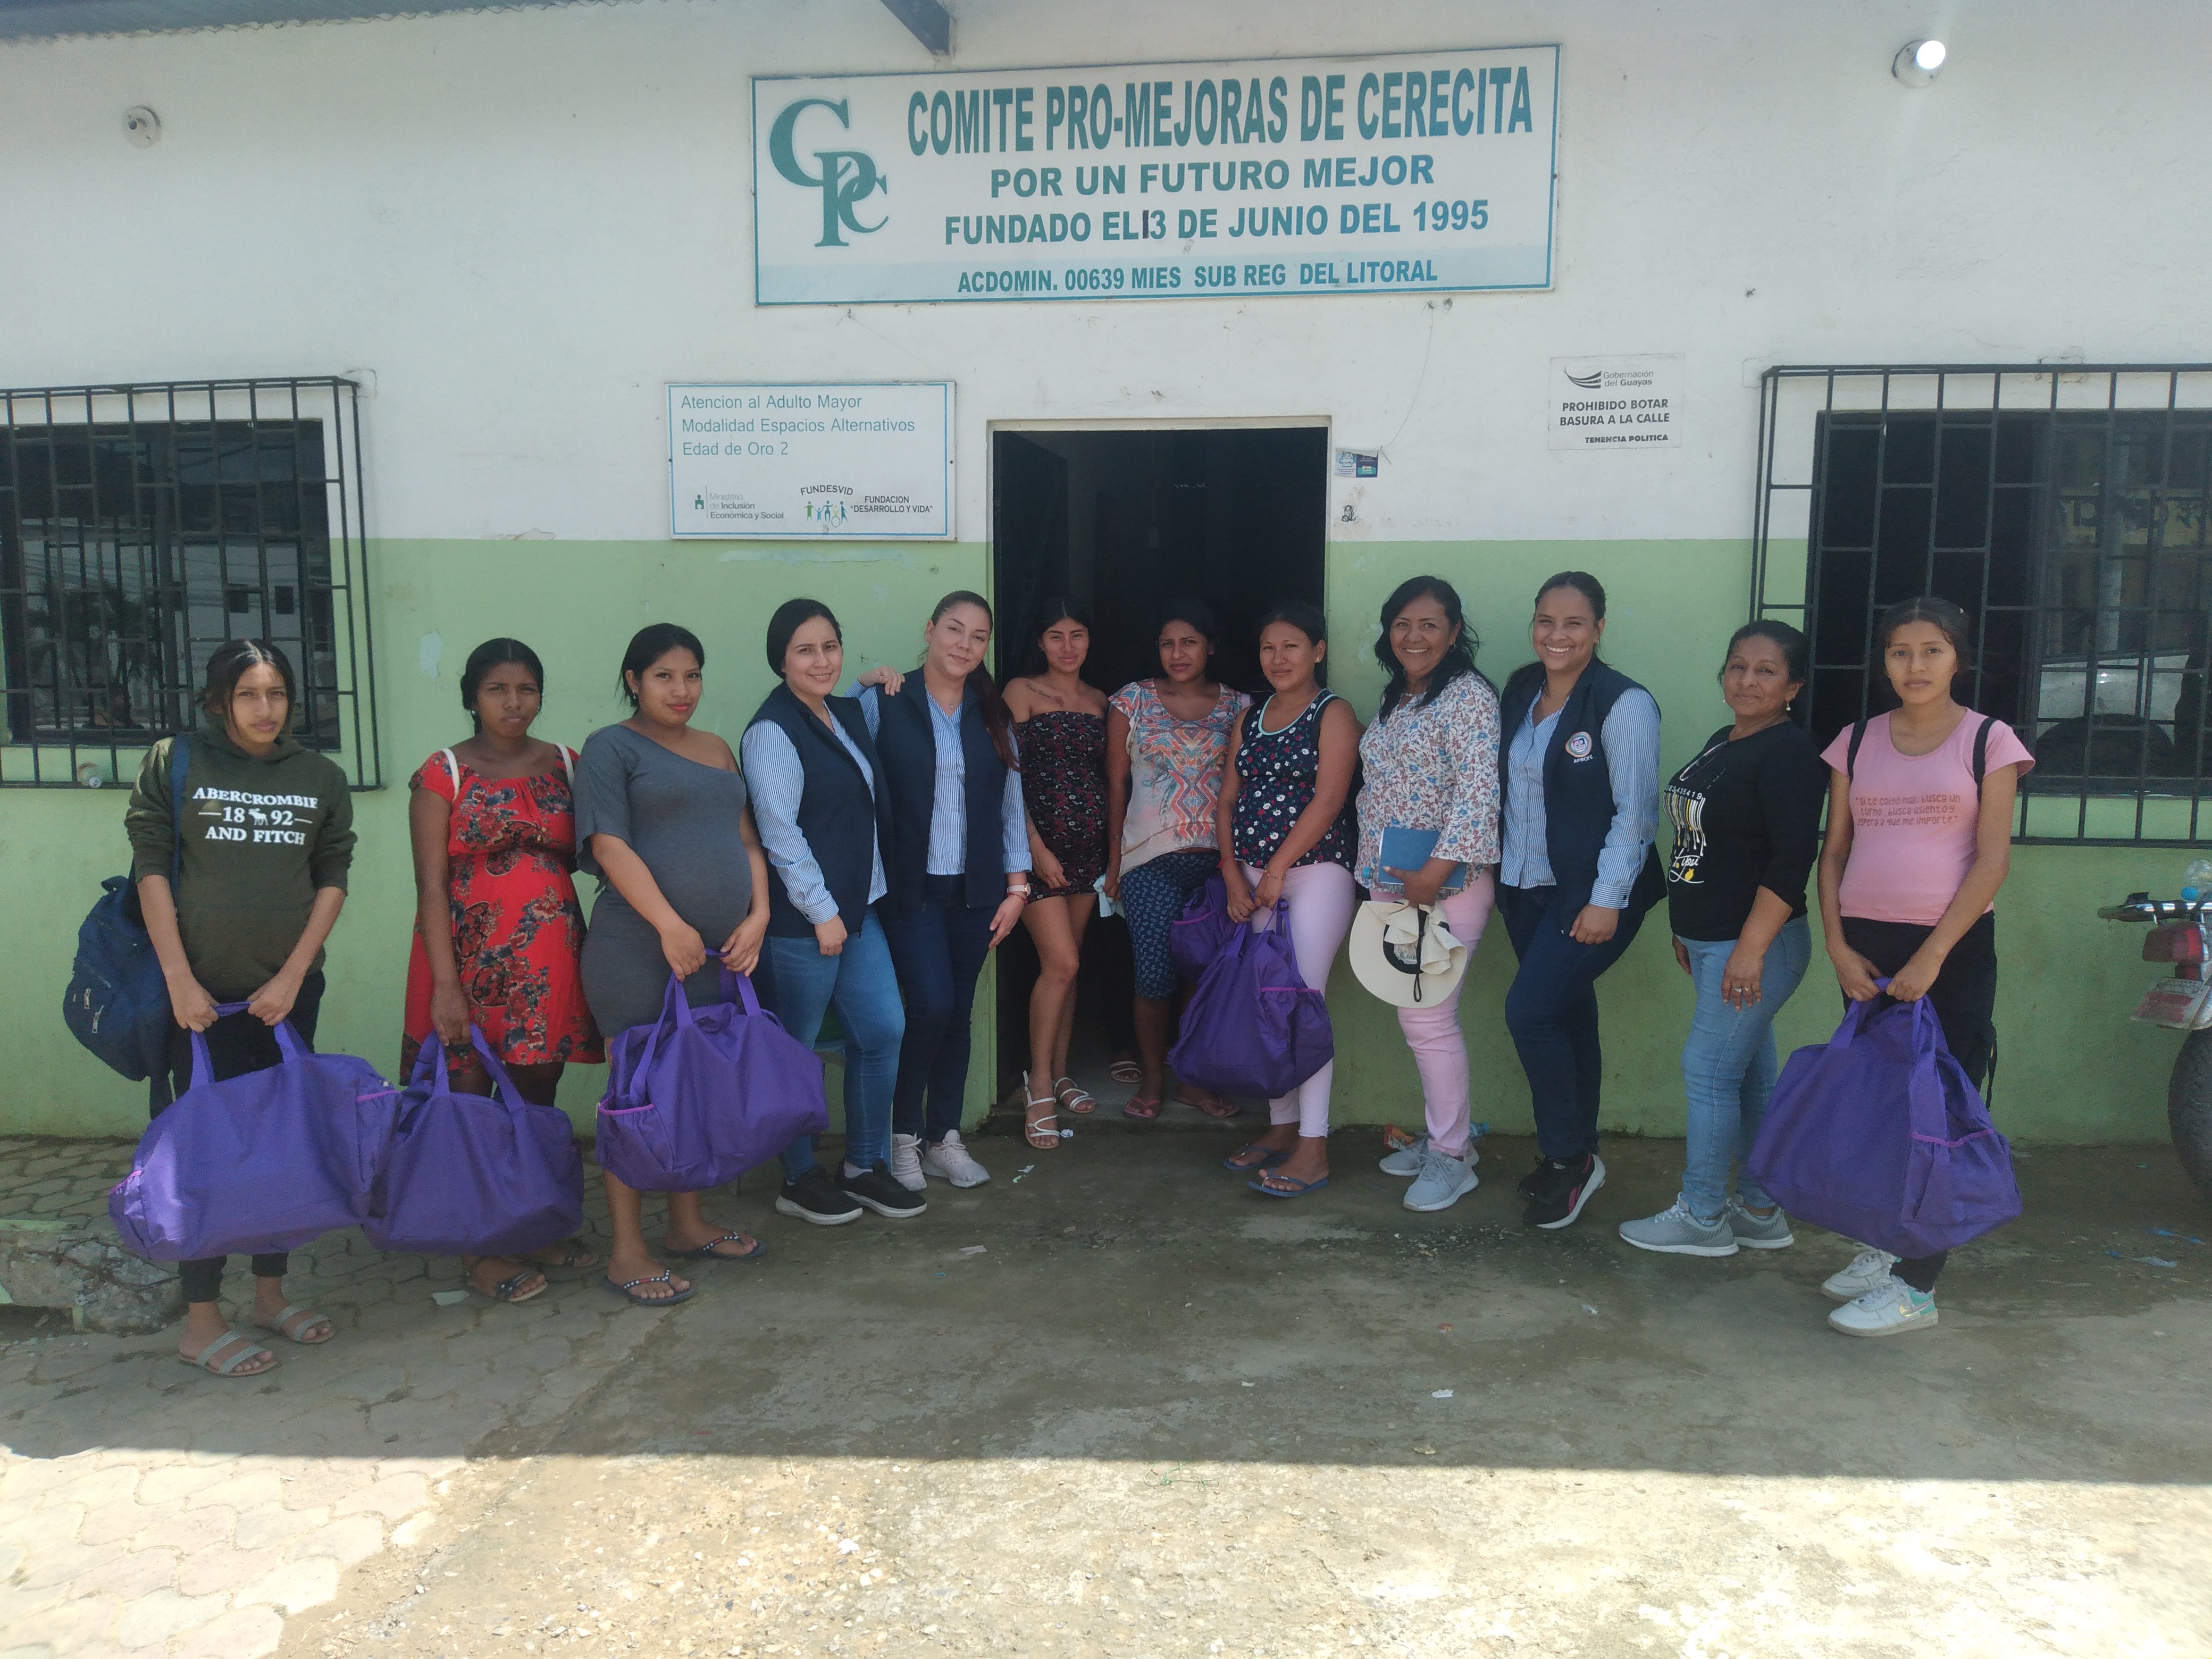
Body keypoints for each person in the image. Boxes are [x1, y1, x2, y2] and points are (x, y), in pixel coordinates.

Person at [126, 639, 355, 1377]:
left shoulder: (319, 776)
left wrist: (293, 975)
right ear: (219, 700)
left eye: (277, 693)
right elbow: (151, 867)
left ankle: (269, 1297)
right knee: (207, 1155)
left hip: (283, 999)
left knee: (280, 1147)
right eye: (249, 694)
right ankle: (200, 1323)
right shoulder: (176, 762)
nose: (265, 709)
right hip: (198, 1005)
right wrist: (179, 980)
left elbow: (332, 874)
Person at [1814, 596, 2032, 1337]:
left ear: (1957, 659)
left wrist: (1933, 956)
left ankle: (1917, 1286)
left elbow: (1991, 860)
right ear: (1884, 661)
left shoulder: (1988, 742)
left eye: (1931, 650)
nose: (1915, 665)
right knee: (1879, 1104)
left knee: (1937, 1109)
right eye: (1900, 651)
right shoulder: (1854, 742)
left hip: (1950, 951)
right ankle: (1886, 1245)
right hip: (1865, 950)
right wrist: (1837, 946)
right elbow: (1834, 853)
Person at [574, 624, 774, 1305]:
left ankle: (687, 1225)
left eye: (691, 675)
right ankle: (627, 1251)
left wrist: (759, 915)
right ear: (634, 680)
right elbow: (608, 844)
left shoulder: (716, 749)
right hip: (638, 949)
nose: (680, 690)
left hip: (715, 954)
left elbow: (747, 841)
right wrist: (669, 925)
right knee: (635, 1096)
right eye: (663, 676)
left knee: (691, 1086)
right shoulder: (610, 747)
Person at [404, 637, 601, 1304]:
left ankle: (528, 1226)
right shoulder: (444, 772)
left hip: (549, 964)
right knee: (468, 1102)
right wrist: (446, 987)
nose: (514, 702)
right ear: (472, 697)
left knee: (535, 1100)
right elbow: (430, 886)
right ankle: (478, 1248)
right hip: (468, 964)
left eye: (526, 689)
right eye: (497, 689)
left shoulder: (567, 765)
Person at [1619, 621, 1825, 1258]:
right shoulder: (1724, 741)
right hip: (1713, 941)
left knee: (1707, 1073)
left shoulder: (1788, 754)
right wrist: (1686, 926)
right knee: (1747, 1078)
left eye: (1766, 671)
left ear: (1792, 687)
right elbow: (1700, 844)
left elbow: (1790, 860)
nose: (1747, 680)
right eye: (1737, 666)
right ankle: (1759, 1212)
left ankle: (1702, 1216)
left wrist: (1748, 950)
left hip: (1754, 947)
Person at [1496, 572, 1663, 1230]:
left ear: (1598, 629)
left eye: (1572, 623)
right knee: (1566, 1014)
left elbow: (1634, 814)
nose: (1556, 635)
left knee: (1529, 1012)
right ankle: (1577, 1151)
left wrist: (1605, 899)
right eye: (1545, 620)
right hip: (1523, 888)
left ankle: (1568, 1157)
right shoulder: (1520, 690)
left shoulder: (1623, 703)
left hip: (1589, 895)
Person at [740, 599, 913, 1227]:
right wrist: (820, 911)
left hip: (858, 911)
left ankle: (863, 1166)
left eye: (830, 647)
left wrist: (868, 682)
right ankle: (798, 1177)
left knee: (882, 1031)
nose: (822, 661)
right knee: (796, 1050)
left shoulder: (840, 711)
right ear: (780, 659)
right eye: (805, 650)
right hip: (805, 924)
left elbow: (853, 737)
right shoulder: (771, 731)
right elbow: (779, 833)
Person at [853, 592, 1032, 1185]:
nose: (964, 645)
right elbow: (837, 741)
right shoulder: (886, 701)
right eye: (954, 629)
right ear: (930, 630)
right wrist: (860, 682)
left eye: (978, 637)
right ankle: (902, 1137)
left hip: (977, 890)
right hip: (911, 889)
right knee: (929, 1006)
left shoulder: (992, 712)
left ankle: (943, 1138)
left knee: (957, 1013)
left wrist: (1017, 889)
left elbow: (1010, 805)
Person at [1356, 577, 1503, 1214]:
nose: (1413, 637)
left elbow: (1477, 793)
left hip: (1446, 885)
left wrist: (1432, 874)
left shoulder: (1467, 696)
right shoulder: (1399, 695)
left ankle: (1450, 1156)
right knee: (1416, 1017)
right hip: (1396, 883)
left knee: (1427, 1020)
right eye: (1402, 624)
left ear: (1453, 632)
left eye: (1428, 625)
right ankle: (1448, 1139)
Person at [1214, 602, 1360, 1196]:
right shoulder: (1250, 718)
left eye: (1292, 646)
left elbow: (1329, 801)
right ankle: (1280, 1126)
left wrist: (1276, 869)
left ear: (1317, 651)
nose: (1278, 658)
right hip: (1252, 881)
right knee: (1266, 1002)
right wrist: (1232, 873)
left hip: (1315, 873)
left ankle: (1314, 1145)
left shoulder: (1333, 713)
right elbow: (1227, 800)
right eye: (1268, 648)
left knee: (1302, 1003)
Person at [1104, 599, 1251, 1120]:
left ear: (1210, 647)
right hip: (1149, 861)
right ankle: (1152, 1077)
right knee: (1153, 975)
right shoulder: (1131, 701)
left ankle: (1191, 1080)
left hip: (1217, 862)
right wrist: (1113, 860)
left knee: (1203, 975)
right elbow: (1116, 784)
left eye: (1189, 642)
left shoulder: (1238, 706)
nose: (1177, 653)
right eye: (1167, 644)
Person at [1005, 597, 1112, 1141]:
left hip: (1088, 853)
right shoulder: (1021, 692)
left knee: (1071, 968)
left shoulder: (1100, 700)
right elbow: (1008, 776)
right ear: (1040, 642)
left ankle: (1062, 1070)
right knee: (1061, 964)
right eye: (1056, 636)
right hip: (1035, 853)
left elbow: (1110, 776)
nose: (1067, 647)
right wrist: (1033, 849)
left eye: (1077, 635)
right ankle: (1039, 1083)